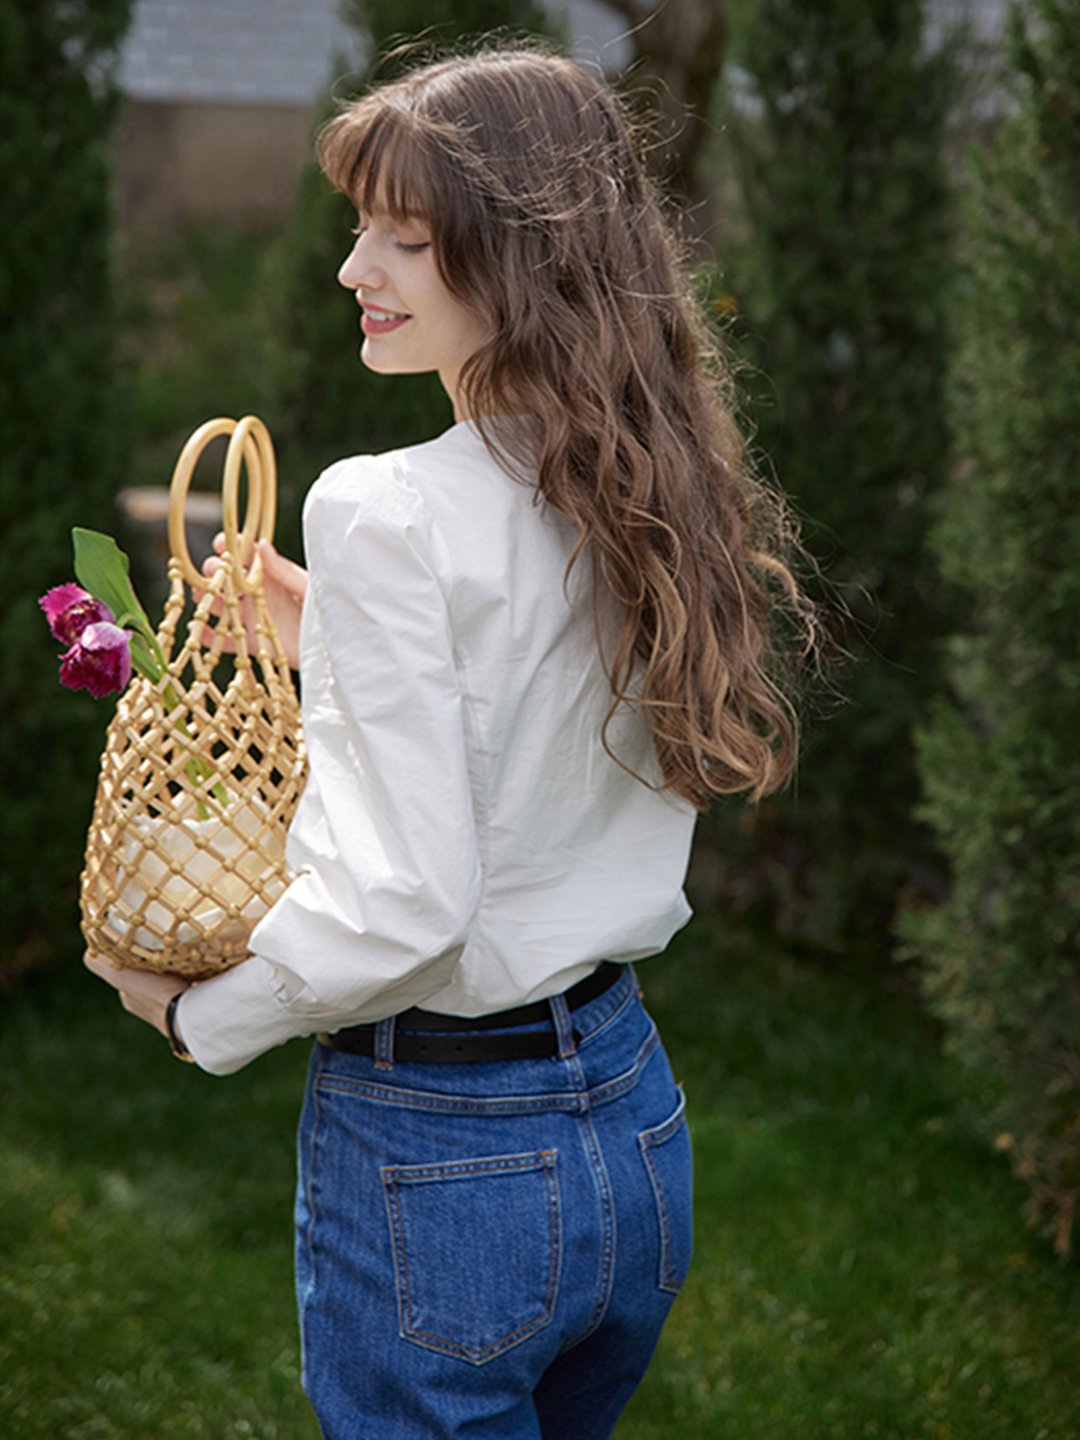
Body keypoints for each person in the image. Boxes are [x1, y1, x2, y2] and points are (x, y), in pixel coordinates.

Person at [85, 43, 811, 1440]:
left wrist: (198, 1018)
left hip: (446, 1148)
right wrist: (340, 644)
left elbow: (408, 905)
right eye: (363, 224)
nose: (356, 265)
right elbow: (537, 719)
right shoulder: (646, 479)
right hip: (634, 1127)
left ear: (526, 264)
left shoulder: (385, 506)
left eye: (407, 239)